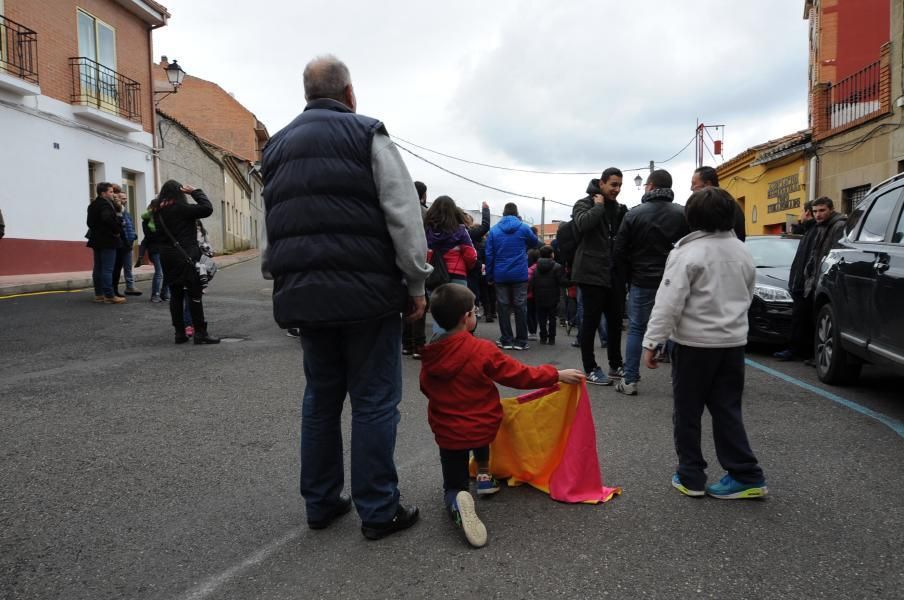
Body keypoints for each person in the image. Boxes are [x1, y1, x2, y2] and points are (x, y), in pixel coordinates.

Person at [261, 55, 430, 540]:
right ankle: (378, 509)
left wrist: (278, 274)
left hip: (305, 296)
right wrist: (416, 282)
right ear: (350, 94)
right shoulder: (367, 133)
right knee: (375, 400)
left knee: (321, 398)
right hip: (367, 295)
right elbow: (402, 213)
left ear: (307, 95)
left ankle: (321, 502)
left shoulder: (276, 147)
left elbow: (275, 220)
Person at [419, 283, 584, 547]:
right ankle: (484, 477)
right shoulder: (481, 349)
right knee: (479, 435)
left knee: (453, 481)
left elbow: (426, 387)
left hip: (448, 430)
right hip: (482, 425)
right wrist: (556, 374)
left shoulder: (431, 354)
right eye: (474, 311)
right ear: (467, 318)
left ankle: (458, 498)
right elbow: (519, 374)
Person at [643, 186, 767, 500]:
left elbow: (669, 302)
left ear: (692, 218)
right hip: (732, 343)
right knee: (727, 409)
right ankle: (745, 474)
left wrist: (652, 341)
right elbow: (748, 293)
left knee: (687, 412)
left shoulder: (687, 253)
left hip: (693, 345)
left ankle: (691, 475)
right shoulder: (741, 250)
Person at [613, 169, 688, 396]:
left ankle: (630, 380)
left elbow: (619, 251)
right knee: (677, 329)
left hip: (641, 279)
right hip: (675, 279)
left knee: (637, 328)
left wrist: (627, 277)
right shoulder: (684, 214)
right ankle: (681, 382)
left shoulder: (634, 215)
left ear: (651, 186)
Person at [571, 168, 628, 385]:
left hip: (614, 272)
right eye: (613, 184)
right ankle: (590, 368)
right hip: (590, 272)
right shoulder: (584, 203)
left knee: (615, 322)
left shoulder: (620, 208)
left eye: (620, 185)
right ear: (602, 183)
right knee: (591, 322)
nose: (617, 189)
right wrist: (598, 207)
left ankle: (616, 364)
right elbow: (583, 224)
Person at [153, 180, 219, 345]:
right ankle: (200, 333)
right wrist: (196, 192)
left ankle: (179, 333)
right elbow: (207, 208)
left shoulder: (158, 211)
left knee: (176, 295)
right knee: (194, 294)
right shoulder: (181, 208)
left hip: (167, 257)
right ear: (180, 193)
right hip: (187, 256)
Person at [485, 202, 539, 350]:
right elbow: (535, 242)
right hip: (519, 273)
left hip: (500, 274)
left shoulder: (494, 231)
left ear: (503, 213)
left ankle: (506, 340)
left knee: (503, 307)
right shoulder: (523, 228)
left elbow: (489, 255)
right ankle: (521, 341)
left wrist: (489, 275)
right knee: (520, 306)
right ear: (516, 213)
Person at [774, 201, 817, 362]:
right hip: (799, 282)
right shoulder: (809, 232)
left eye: (801, 211)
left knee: (802, 319)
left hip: (804, 284)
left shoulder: (814, 232)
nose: (800, 215)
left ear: (807, 213)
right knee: (799, 319)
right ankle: (798, 349)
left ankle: (797, 350)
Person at [402, 181, 430, 357]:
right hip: (418, 260)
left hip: (400, 261)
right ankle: (419, 345)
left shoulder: (400, 207)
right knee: (420, 303)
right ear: (423, 194)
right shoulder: (424, 212)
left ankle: (406, 344)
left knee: (406, 304)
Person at [86, 182, 125, 304]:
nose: (113, 194)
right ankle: (109, 295)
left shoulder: (93, 205)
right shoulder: (105, 205)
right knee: (108, 269)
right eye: (111, 192)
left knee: (98, 267)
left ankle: (99, 295)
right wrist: (117, 230)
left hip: (96, 240)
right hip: (108, 240)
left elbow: (89, 223)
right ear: (103, 193)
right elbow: (107, 219)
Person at [690, 166, 745, 241]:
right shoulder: (731, 203)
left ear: (707, 184)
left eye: (694, 184)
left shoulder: (708, 207)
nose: (691, 188)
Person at [531, 245, 568, 344]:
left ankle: (543, 337)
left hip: (539, 295)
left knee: (541, 318)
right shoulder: (557, 266)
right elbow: (561, 281)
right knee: (552, 318)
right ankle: (551, 338)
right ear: (551, 254)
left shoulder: (536, 266)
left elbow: (533, 282)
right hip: (553, 295)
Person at [113, 186, 142, 297]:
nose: (125, 201)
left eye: (125, 198)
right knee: (117, 268)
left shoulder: (126, 212)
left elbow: (130, 226)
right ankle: (113, 289)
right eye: (122, 198)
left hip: (129, 243)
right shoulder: (117, 211)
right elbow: (121, 228)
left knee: (128, 267)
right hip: (121, 244)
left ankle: (130, 287)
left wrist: (134, 236)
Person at [140, 199, 167, 303]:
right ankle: (155, 294)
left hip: (166, 249)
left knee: (167, 272)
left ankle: (165, 293)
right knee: (159, 272)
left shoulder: (164, 218)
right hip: (155, 249)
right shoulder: (146, 221)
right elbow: (149, 236)